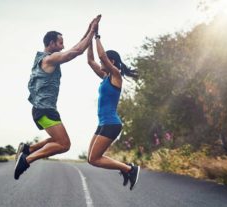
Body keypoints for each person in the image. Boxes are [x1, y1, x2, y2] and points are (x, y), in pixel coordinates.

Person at [14, 15, 102, 180]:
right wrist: (91, 32)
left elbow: (76, 47)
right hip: (45, 109)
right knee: (64, 145)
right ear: (51, 43)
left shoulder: (42, 58)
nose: (63, 46)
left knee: (56, 140)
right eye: (60, 43)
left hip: (42, 109)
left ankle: (28, 149)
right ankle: (27, 159)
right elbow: (76, 51)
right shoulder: (50, 59)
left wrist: (89, 30)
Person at [86, 27, 140, 190]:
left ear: (112, 63)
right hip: (103, 123)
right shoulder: (105, 77)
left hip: (111, 123)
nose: (101, 63)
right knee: (90, 159)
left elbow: (102, 55)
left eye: (104, 62)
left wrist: (97, 35)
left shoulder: (116, 75)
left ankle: (130, 169)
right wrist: (89, 38)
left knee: (96, 158)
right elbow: (90, 60)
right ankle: (126, 169)